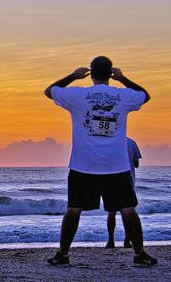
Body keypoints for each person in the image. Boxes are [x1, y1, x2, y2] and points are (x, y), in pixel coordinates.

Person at [43, 56, 157, 266]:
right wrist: (123, 79)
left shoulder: (78, 95)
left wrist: (73, 76)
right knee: (128, 209)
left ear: (92, 74)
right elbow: (145, 96)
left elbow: (49, 91)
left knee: (74, 209)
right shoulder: (121, 97)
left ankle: (63, 254)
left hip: (83, 165)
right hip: (116, 165)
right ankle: (140, 253)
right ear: (110, 74)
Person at [106, 137, 141, 249]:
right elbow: (136, 164)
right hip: (128, 181)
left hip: (110, 181)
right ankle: (127, 240)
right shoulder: (131, 143)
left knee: (111, 212)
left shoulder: (107, 143)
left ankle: (111, 240)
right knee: (127, 212)